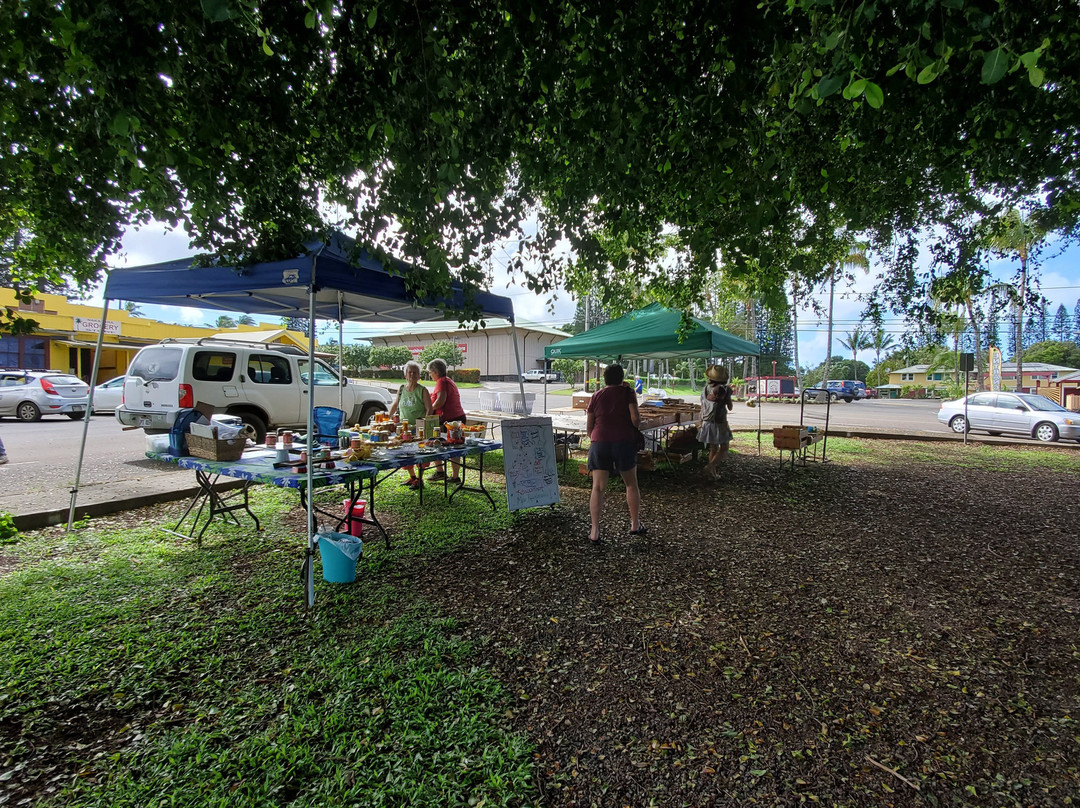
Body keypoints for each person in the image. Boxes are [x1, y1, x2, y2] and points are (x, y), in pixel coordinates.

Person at [585, 363, 644, 543]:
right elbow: (636, 420)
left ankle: (595, 530)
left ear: (604, 378)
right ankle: (635, 524)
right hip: (623, 442)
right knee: (631, 484)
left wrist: (597, 437)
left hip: (599, 442)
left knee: (598, 487)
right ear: (622, 377)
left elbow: (589, 426)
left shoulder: (596, 395)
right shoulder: (628, 393)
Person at [389, 361, 433, 489]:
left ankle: (420, 479)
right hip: (404, 428)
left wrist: (423, 424)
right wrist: (388, 417)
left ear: (419, 376)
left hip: (418, 429)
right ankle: (413, 477)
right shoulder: (402, 389)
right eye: (410, 372)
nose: (412, 375)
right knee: (405, 453)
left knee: (420, 454)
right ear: (405, 375)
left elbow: (429, 409)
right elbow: (395, 404)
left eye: (415, 372)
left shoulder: (423, 390)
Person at [427, 358, 467, 483]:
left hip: (450, 420)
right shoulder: (447, 381)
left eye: (430, 372)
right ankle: (449, 474)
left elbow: (440, 400)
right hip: (456, 417)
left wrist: (429, 410)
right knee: (447, 445)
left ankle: (448, 474)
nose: (429, 374)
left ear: (436, 372)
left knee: (441, 444)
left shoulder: (441, 382)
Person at [700, 364, 734, 479]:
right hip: (719, 422)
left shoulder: (705, 389)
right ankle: (710, 466)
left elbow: (702, 406)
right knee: (724, 448)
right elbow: (730, 407)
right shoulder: (725, 389)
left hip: (706, 421)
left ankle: (713, 474)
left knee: (713, 448)